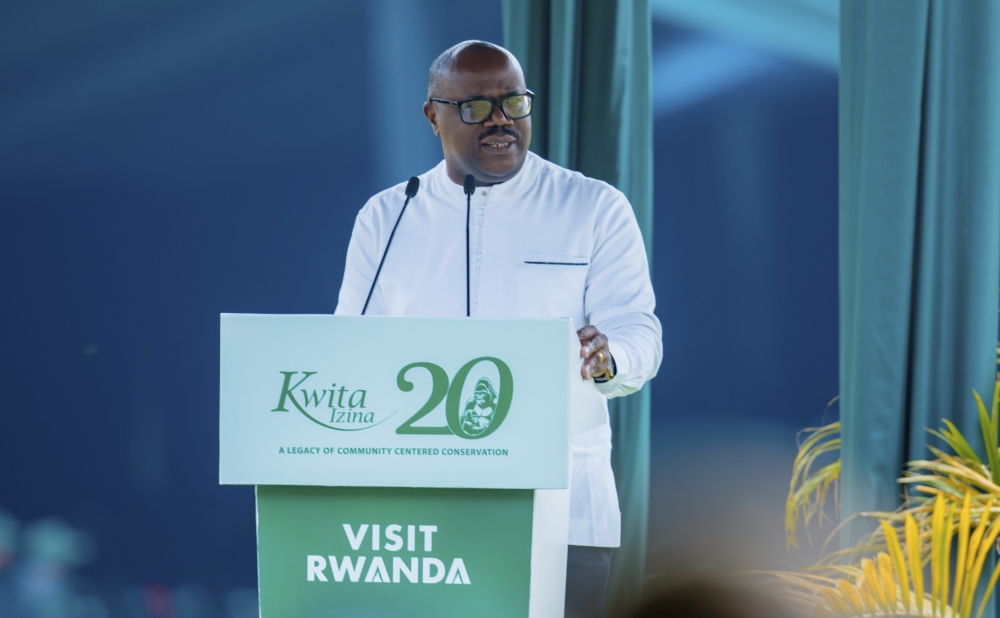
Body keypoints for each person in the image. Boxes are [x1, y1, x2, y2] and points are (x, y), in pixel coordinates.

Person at [335, 40, 662, 618]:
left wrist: (612, 358)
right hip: (422, 518)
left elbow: (638, 329)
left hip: (562, 508)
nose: (500, 122)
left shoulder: (592, 206)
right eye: (476, 107)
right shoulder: (388, 217)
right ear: (433, 116)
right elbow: (349, 354)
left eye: (514, 103)